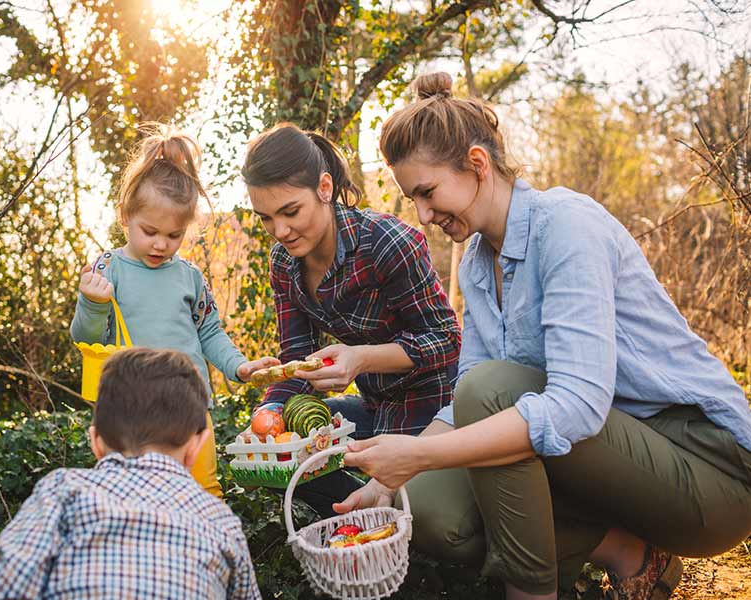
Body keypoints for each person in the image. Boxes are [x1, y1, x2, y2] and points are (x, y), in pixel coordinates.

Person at [335, 71, 751, 600]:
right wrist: (388, 481)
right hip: (606, 463)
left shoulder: (566, 227)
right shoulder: (478, 266)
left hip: (706, 470)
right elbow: (466, 398)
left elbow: (574, 403)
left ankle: (530, 591)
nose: (423, 214)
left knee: (489, 393)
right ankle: (627, 551)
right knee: (434, 510)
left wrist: (422, 455)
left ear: (477, 165)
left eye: (428, 192)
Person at [0, 348, 261, 600]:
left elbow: (6, 583)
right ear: (196, 446)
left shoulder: (65, 489)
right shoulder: (219, 520)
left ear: (95, 441)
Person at [241, 123, 461, 516]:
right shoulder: (283, 265)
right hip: (375, 406)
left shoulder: (385, 243)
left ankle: (398, 514)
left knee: (426, 515)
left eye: (291, 212)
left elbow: (446, 340)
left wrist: (360, 358)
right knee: (286, 464)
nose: (281, 231)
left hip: (434, 407)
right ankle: (366, 518)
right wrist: (267, 417)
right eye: (266, 218)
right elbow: (296, 358)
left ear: (324, 189)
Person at [70, 123, 278, 497]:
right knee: (132, 498)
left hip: (189, 407)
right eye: (149, 231)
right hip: (129, 411)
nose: (161, 244)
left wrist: (239, 366)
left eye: (173, 236)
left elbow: (209, 332)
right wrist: (92, 303)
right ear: (124, 216)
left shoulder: (190, 277)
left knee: (203, 490)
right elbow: (86, 339)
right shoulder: (108, 270)